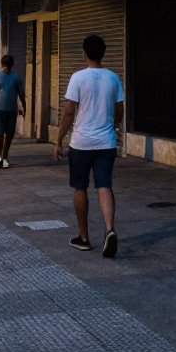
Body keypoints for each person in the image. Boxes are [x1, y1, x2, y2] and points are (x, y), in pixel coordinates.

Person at [54, 34, 123, 258]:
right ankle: (110, 228)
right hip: (106, 143)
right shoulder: (114, 78)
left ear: (84, 53)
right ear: (103, 53)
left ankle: (83, 238)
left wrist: (59, 139)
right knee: (104, 185)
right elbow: (119, 112)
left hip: (81, 143)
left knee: (80, 187)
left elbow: (68, 111)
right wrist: (113, 126)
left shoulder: (78, 78)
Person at [0, 54, 26, 168]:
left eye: (9, 66)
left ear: (12, 66)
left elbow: (21, 93)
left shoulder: (16, 77)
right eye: (5, 66)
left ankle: (5, 156)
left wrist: (24, 106)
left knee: (9, 134)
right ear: (2, 65)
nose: (7, 68)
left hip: (12, 109)